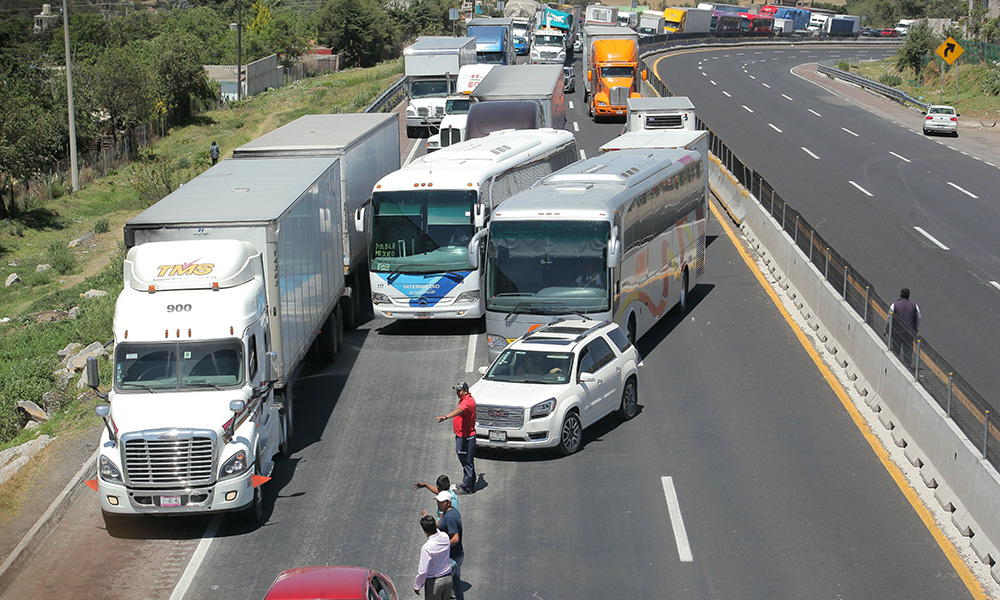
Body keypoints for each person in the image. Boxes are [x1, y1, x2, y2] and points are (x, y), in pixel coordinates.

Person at [436, 382, 476, 495]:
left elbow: (460, 411)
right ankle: (470, 481)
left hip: (465, 438)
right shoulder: (466, 399)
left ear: (466, 390)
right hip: (463, 436)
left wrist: (446, 417)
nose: (458, 393)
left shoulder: (467, 402)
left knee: (466, 461)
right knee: (467, 461)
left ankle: (467, 487)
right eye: (457, 391)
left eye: (460, 391)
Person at [433, 491, 465, 600]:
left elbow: (455, 538)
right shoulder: (450, 512)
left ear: (448, 502)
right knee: (456, 583)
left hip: (453, 557)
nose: (438, 504)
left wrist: (442, 548)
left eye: (441, 502)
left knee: (441, 584)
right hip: (457, 555)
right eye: (437, 501)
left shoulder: (450, 517)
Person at [413, 514, 453, 600]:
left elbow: (423, 571)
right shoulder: (445, 537)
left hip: (435, 583)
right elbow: (437, 531)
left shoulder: (427, 548)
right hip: (448, 579)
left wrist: (417, 585)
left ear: (425, 531)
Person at [886, 288, 921, 367]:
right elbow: (918, 318)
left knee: (896, 348)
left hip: (896, 331)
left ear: (900, 294)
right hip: (909, 331)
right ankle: (907, 366)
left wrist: (887, 329)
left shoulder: (894, 304)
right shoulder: (914, 305)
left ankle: (894, 365)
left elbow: (889, 317)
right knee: (908, 349)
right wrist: (916, 329)